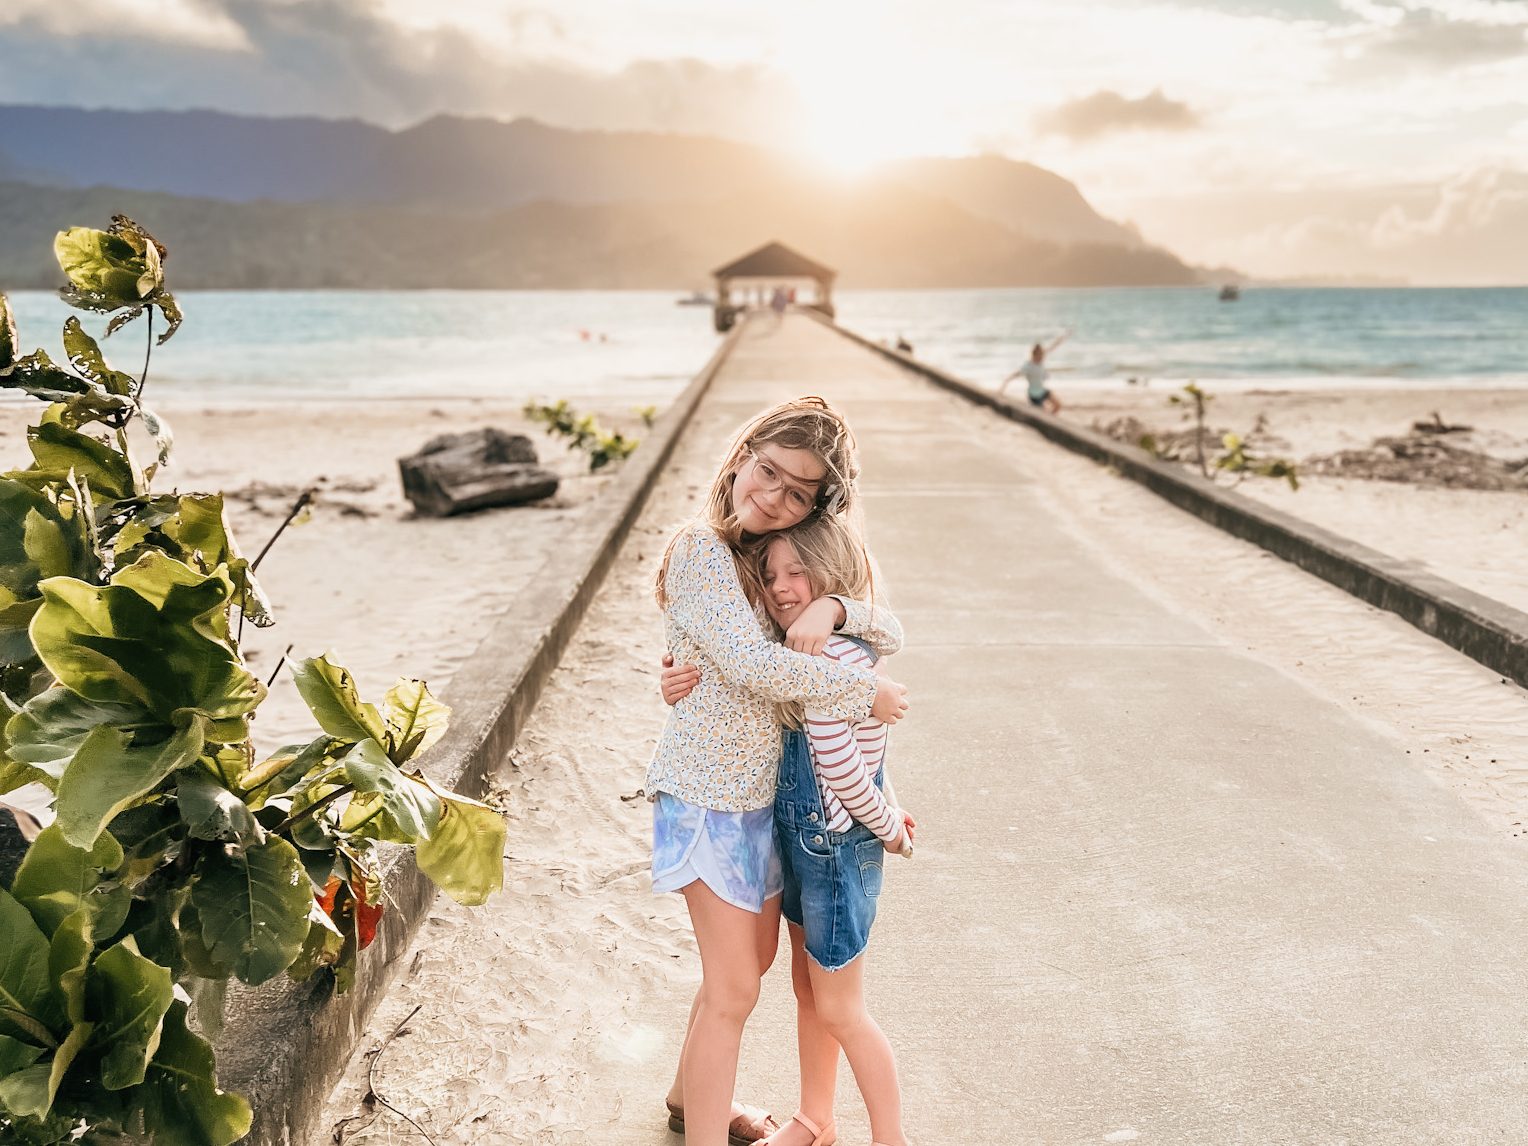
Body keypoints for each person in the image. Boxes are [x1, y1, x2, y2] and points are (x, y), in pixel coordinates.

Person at [649, 397, 910, 1146]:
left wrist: (832, 607)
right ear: (741, 457)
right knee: (735, 986)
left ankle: (685, 1097)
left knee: (747, 968)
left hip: (763, 797)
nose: (773, 496)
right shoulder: (702, 547)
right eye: (768, 473)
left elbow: (882, 620)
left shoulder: (774, 556)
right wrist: (868, 692)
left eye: (797, 491)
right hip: (705, 796)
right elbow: (747, 662)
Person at [999, 329, 1070, 414]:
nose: (1041, 358)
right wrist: (1005, 383)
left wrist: (1064, 337)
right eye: (1039, 356)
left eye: (1042, 355)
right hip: (1034, 395)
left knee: (1058, 405)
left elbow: (1053, 346)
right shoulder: (1028, 366)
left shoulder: (1041, 358)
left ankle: (1051, 418)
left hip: (1042, 391)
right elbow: (1016, 374)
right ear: (1034, 355)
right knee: (1043, 414)